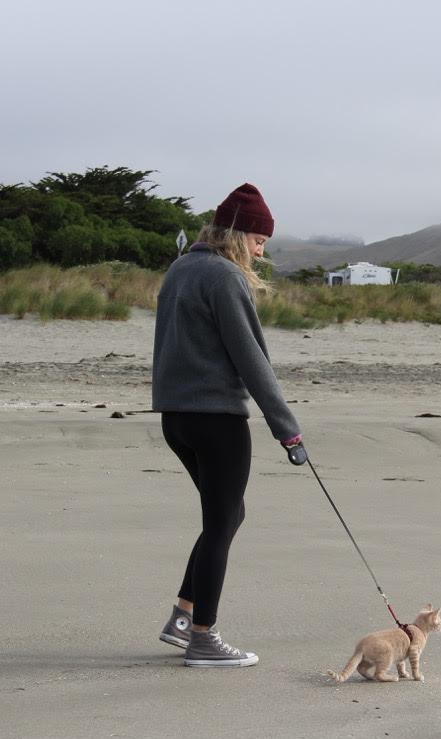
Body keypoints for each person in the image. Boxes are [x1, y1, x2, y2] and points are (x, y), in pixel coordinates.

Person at [151, 183, 303, 668]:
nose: (261, 252)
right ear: (238, 236)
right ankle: (203, 638)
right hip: (217, 420)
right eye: (259, 241)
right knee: (221, 523)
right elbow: (252, 359)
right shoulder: (224, 277)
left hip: (176, 419)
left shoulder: (180, 268)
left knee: (228, 516)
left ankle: (183, 615)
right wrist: (288, 429)